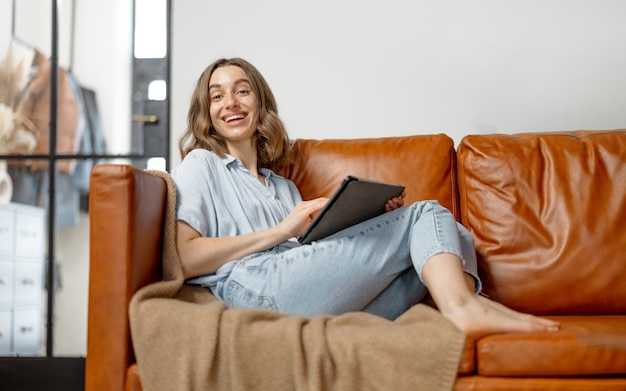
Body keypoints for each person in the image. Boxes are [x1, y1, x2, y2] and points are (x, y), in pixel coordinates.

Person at [172, 57, 560, 337]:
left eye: (242, 91)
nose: (231, 103)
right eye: (217, 96)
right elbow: (185, 259)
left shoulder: (283, 187)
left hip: (300, 295)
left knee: (443, 234)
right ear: (207, 112)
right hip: (253, 290)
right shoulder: (202, 163)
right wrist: (282, 230)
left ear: (260, 104)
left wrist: (374, 222)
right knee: (427, 211)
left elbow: (315, 258)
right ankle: (462, 307)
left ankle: (465, 302)